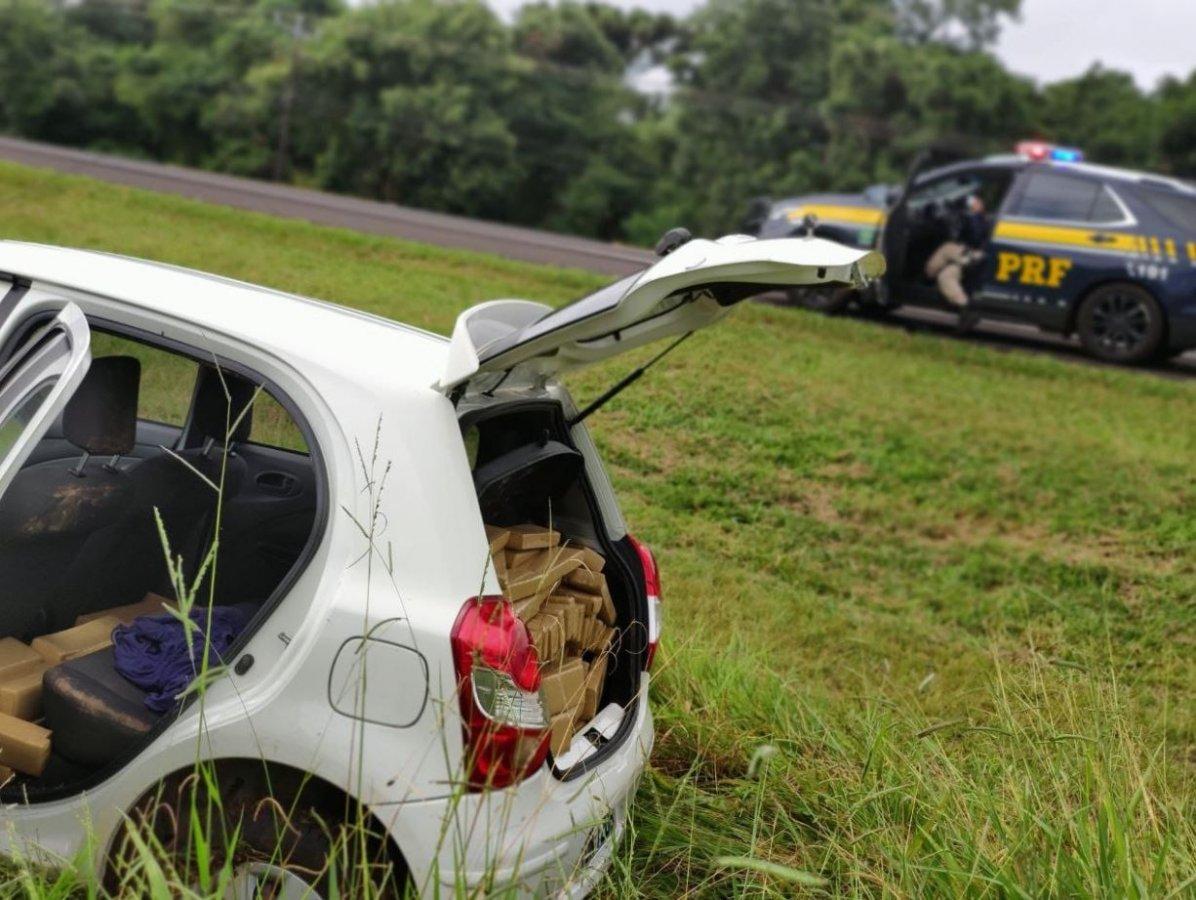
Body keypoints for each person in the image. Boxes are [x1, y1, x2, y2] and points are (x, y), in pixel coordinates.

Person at [925, 194, 987, 331]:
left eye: (976, 201)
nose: (973, 203)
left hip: (978, 255)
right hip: (965, 258)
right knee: (945, 276)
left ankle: (928, 274)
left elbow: (976, 236)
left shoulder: (982, 219)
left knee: (947, 248)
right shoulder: (972, 217)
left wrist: (975, 215)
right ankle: (966, 307)